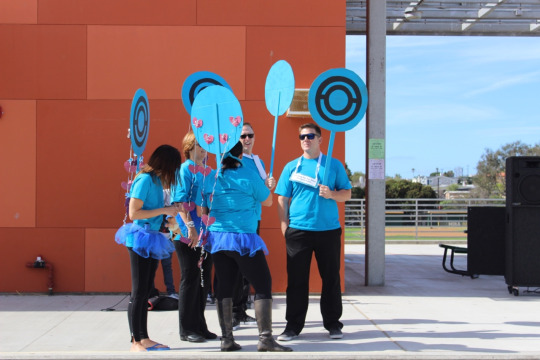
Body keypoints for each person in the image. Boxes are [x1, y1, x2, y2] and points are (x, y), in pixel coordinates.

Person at [202, 141, 292, 352]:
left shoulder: (212, 177)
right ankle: (266, 339)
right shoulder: (249, 174)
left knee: (224, 285)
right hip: (243, 236)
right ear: (240, 155)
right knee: (262, 283)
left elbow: (204, 206)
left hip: (219, 238)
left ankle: (227, 339)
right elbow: (268, 201)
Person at [275, 123, 352, 341]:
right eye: (302, 136)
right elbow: (282, 198)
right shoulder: (292, 167)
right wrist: (284, 226)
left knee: (331, 279)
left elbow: (347, 194)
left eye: (310, 136)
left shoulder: (333, 165)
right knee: (297, 281)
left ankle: (333, 324)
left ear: (320, 139)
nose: (306, 139)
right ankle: (293, 326)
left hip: (328, 231)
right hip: (298, 231)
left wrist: (332, 194)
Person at [114, 144, 182, 352]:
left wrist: (170, 217)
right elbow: (134, 213)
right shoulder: (144, 179)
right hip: (140, 239)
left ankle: (144, 337)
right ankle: (136, 340)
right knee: (139, 291)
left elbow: (154, 212)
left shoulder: (158, 181)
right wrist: (165, 209)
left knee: (146, 291)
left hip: (153, 238)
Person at [168, 131, 216, 343]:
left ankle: (199, 325)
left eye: (205, 144)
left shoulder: (209, 171)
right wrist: (190, 227)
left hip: (206, 232)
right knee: (190, 277)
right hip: (186, 232)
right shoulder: (184, 169)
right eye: (198, 144)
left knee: (203, 280)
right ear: (188, 147)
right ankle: (186, 329)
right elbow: (180, 202)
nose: (203, 148)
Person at [230, 123, 276, 329]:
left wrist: (269, 185)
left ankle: (241, 310)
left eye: (250, 135)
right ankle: (233, 312)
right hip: (237, 222)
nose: (246, 139)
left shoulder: (258, 161)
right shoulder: (232, 161)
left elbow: (262, 191)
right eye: (242, 136)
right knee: (235, 270)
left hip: (254, 219)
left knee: (248, 270)